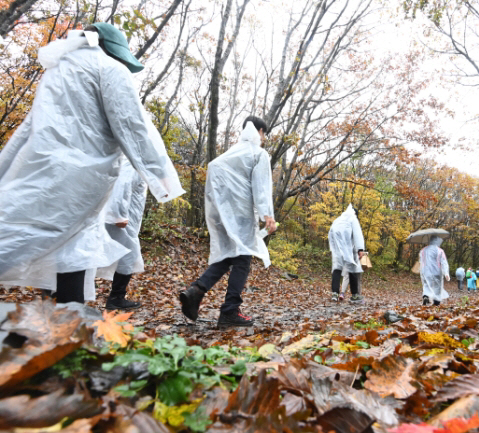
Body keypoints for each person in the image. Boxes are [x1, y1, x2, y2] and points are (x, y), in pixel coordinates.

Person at [0, 23, 184, 303]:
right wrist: (161, 178)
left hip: (42, 167)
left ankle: (67, 325)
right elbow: (132, 127)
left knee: (63, 244)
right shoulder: (110, 69)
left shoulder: (58, 70)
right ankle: (67, 323)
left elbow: (28, 127)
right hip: (81, 177)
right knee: (59, 242)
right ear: (112, 50)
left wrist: (7, 167)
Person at [179, 116, 276, 328]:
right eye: (264, 133)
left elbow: (214, 170)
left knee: (229, 256)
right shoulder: (258, 154)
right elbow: (261, 186)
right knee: (242, 260)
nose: (264, 138)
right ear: (259, 131)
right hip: (241, 215)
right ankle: (230, 311)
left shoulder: (229, 155)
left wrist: (219, 211)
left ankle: (196, 291)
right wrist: (267, 215)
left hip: (222, 213)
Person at [97, 159, 147, 310]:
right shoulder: (133, 163)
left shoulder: (134, 162)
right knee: (128, 256)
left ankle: (55, 289)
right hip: (122, 221)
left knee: (113, 255)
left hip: (125, 219)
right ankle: (116, 298)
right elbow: (122, 186)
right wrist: (118, 215)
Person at [329, 205, 365, 303]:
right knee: (352, 268)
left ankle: (335, 293)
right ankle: (354, 295)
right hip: (348, 247)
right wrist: (360, 249)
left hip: (337, 247)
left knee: (337, 269)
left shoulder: (337, 220)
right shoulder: (353, 219)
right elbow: (357, 234)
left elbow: (331, 233)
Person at [420, 236, 450, 306]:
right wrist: (446, 273)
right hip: (436, 271)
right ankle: (436, 301)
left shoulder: (423, 250)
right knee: (437, 287)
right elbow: (444, 262)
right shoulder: (440, 250)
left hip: (425, 270)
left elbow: (421, 261)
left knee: (426, 284)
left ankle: (426, 296)